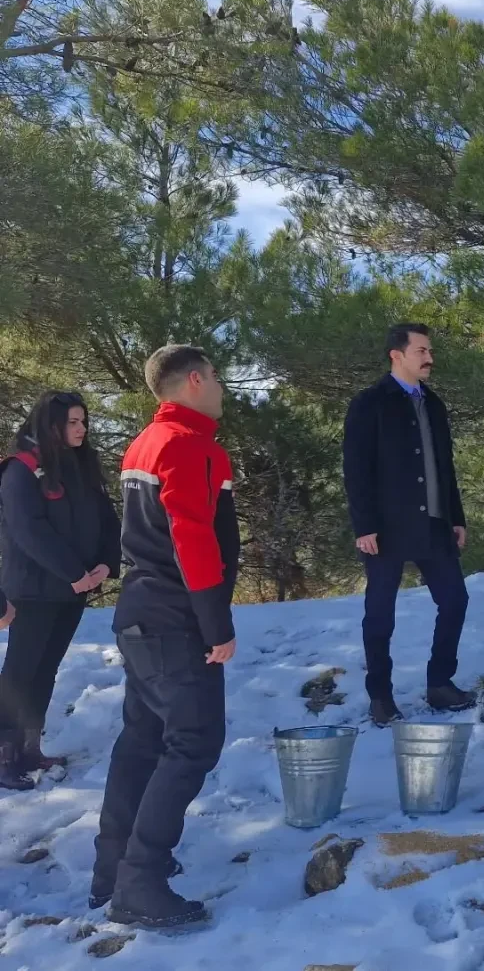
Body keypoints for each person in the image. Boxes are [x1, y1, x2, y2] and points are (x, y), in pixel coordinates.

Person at [92, 345, 239, 928]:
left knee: (142, 740)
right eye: (219, 378)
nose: (224, 389)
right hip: (176, 616)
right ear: (195, 380)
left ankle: (113, 868)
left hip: (140, 612)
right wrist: (215, 623)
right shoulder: (190, 444)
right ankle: (139, 882)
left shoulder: (144, 442)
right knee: (195, 741)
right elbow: (192, 536)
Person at [343, 323, 473, 725]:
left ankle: (440, 684)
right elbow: (356, 469)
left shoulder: (434, 404)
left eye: (429, 350)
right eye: (421, 351)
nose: (429, 358)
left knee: (455, 601)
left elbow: (444, 467)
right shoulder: (369, 403)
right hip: (386, 528)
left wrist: (456, 517)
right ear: (396, 355)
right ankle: (380, 697)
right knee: (380, 614)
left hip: (435, 524)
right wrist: (364, 525)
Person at [0, 391, 120, 791]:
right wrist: (74, 572)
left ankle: (30, 748)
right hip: (34, 591)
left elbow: (106, 518)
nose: (81, 429)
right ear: (51, 424)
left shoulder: (80, 467)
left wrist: (106, 562)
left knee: (46, 670)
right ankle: (4, 756)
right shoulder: (21, 469)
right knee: (19, 674)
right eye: (72, 422)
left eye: (83, 421)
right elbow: (28, 530)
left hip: (72, 591)